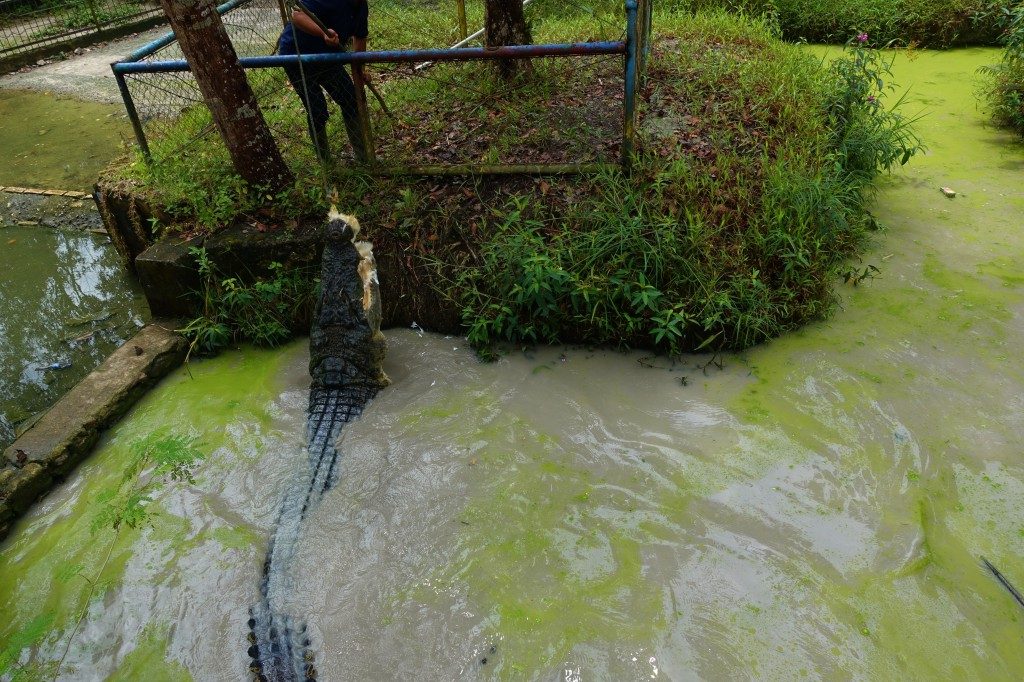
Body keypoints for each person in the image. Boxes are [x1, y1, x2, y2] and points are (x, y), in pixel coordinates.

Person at [277, 0, 369, 164]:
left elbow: (360, 37)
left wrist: (360, 71)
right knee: (316, 109)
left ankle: (363, 158)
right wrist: (322, 33)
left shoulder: (361, 5)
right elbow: (297, 16)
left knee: (350, 99)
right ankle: (326, 163)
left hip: (329, 57)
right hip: (298, 57)